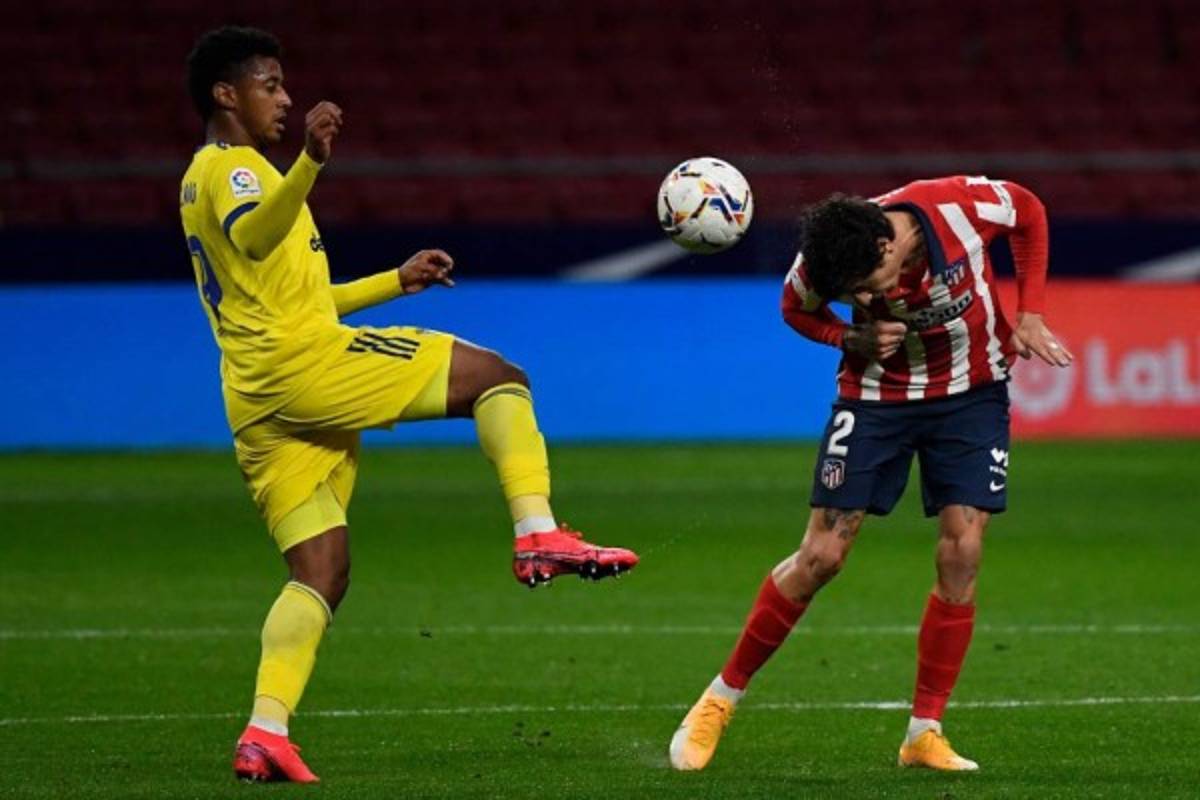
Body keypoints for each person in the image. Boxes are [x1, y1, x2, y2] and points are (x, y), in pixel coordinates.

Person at [180, 26, 639, 784]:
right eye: (269, 84)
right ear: (225, 94)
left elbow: (301, 296)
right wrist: (310, 165)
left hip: (257, 394)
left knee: (321, 569)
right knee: (498, 375)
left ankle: (264, 732)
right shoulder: (236, 172)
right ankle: (538, 534)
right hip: (300, 369)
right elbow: (259, 240)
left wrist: (394, 280)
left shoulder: (214, 176)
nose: (286, 97)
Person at [668, 175, 1074, 772]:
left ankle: (924, 733)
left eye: (863, 287)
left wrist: (1030, 311)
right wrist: (847, 336)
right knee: (821, 556)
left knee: (962, 552)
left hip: (972, 394)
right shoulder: (827, 259)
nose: (858, 295)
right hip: (875, 398)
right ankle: (716, 701)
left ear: (886, 247)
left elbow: (1031, 211)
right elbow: (794, 308)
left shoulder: (959, 208)